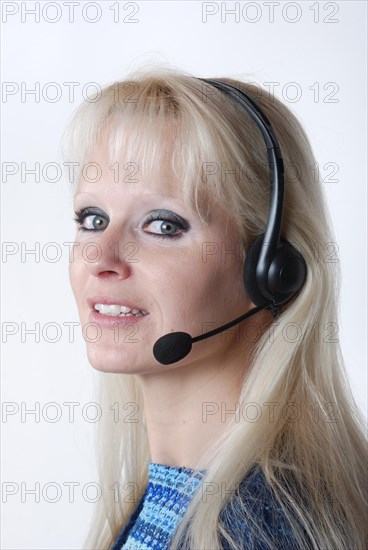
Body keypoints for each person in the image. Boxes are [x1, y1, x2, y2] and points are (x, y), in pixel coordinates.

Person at [62, 65, 367, 550]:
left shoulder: (264, 528)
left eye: (162, 225)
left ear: (271, 269)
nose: (102, 258)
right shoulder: (176, 498)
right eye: (92, 218)